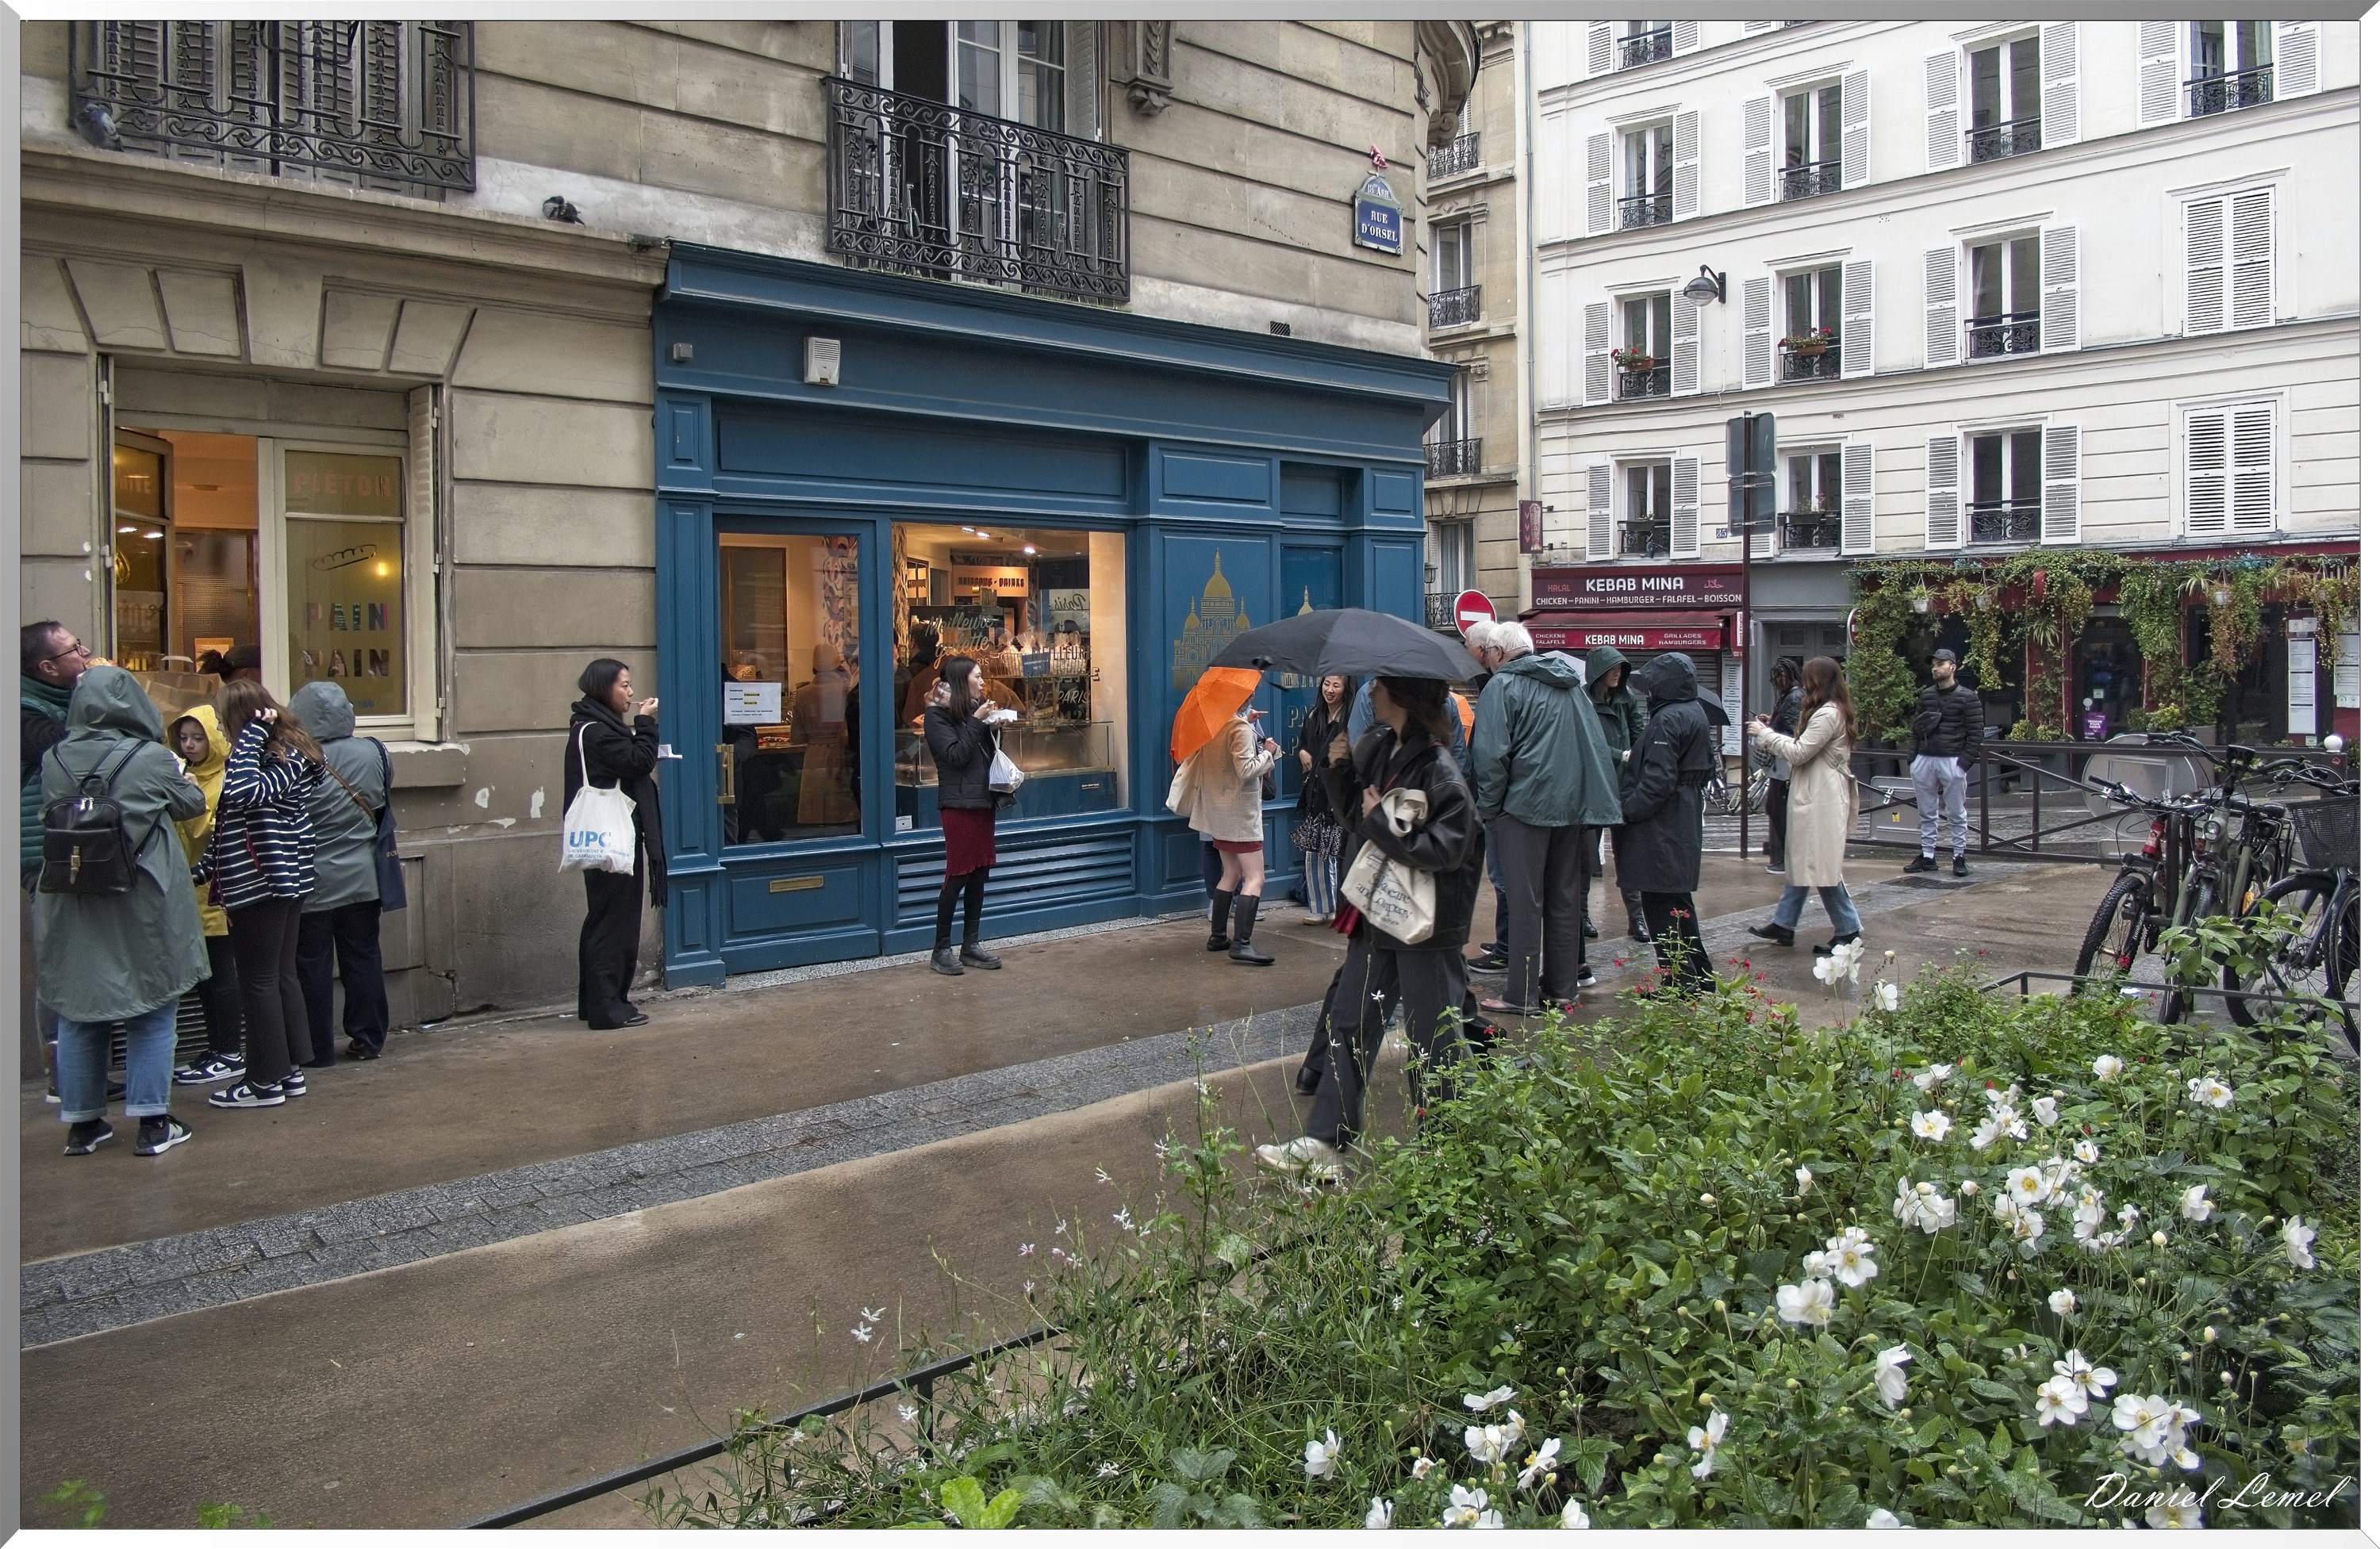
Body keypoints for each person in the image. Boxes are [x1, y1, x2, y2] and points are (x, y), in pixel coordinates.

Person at [1258, 676, 1484, 1180]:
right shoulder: (1379, 745)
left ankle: (1449, 1154)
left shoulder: (1440, 770)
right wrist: (1337, 766)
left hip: (1426, 926)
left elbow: (1446, 850)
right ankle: (1326, 1141)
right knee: (1350, 1022)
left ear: (1402, 696)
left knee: (1435, 1038)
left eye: (1381, 684)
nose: (1371, 689)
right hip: (1377, 914)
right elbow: (1354, 818)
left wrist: (1379, 816)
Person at [35, 666, 209, 1155]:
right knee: (152, 1007)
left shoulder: (54, 759)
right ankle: (154, 1124)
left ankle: (83, 1125)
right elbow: (191, 805)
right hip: (142, 899)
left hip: (71, 902)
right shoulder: (151, 758)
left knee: (78, 1012)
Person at [1470, 621, 1618, 1014]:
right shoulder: (1571, 686)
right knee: (1564, 899)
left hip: (1522, 809)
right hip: (1568, 808)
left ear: (1499, 654)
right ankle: (1562, 990)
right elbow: (1593, 745)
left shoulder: (1502, 686)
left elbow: (1490, 758)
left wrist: (1489, 809)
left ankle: (1520, 995)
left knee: (1524, 902)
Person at [198, 680, 327, 1108]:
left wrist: (250, 736)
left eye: (221, 721)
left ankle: (262, 1082)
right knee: (277, 977)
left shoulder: (274, 760)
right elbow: (231, 824)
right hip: (280, 880)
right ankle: (288, 1073)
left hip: (262, 883)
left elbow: (239, 793)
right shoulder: (281, 757)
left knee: (259, 982)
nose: (218, 728)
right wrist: (196, 873)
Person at [289, 682, 391, 1064]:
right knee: (363, 956)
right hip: (364, 877)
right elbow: (380, 804)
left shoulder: (292, 758)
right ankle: (369, 1038)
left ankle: (316, 1049)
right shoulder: (374, 751)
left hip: (311, 879)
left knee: (312, 966)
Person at [566, 658, 665, 1029]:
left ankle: (596, 1003)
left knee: (603, 920)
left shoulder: (592, 727)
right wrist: (646, 725)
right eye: (624, 685)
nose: (631, 692)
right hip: (613, 840)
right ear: (604, 688)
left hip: (611, 838)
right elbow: (638, 762)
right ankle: (609, 1008)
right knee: (615, 924)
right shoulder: (597, 732)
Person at [1615, 652, 1718, 993]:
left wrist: (1627, 809)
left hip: (1660, 827)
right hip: (1683, 819)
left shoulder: (1667, 719)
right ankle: (1700, 974)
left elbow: (1657, 780)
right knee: (1679, 902)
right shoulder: (1695, 713)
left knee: (1659, 905)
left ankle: (1679, 980)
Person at [1747, 658, 1864, 953]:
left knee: (1821, 864)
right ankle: (1784, 923)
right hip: (1816, 794)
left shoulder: (1827, 714)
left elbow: (1799, 753)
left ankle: (1848, 929)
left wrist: (1766, 735)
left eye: (1809, 678)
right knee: (1803, 861)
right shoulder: (1829, 711)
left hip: (1821, 797)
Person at [22, 621, 92, 1097]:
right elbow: (65, 750)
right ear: (47, 667)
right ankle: (64, 1079)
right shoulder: (26, 713)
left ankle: (83, 1075)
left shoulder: (64, 702)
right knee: (58, 965)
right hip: (49, 856)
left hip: (82, 848)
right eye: (74, 650)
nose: (85, 653)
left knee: (84, 961)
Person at [165, 707, 248, 1087]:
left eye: (198, 738)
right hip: (189, 889)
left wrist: (188, 796)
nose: (190, 745)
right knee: (204, 978)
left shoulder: (224, 779)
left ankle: (230, 1051)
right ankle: (216, 1049)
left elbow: (214, 832)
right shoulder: (188, 774)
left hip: (216, 891)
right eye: (183, 738)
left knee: (221, 977)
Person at [1180, 684, 1280, 966]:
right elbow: (1246, 770)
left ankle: (1218, 936)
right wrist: (1268, 752)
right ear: (1244, 697)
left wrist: (1248, 727)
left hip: (1219, 815)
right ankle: (1242, 943)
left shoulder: (1215, 727)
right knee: (1256, 878)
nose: (1253, 697)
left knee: (1231, 874)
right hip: (1241, 816)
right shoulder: (1240, 729)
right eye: (1250, 694)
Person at [923, 656, 1006, 976]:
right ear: (962, 681)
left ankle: (970, 945)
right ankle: (940, 948)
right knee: (957, 874)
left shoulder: (974, 710)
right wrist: (978, 722)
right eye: (978, 676)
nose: (983, 681)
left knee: (979, 873)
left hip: (983, 801)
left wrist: (994, 728)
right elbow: (956, 757)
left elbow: (982, 756)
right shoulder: (935, 717)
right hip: (958, 805)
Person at [1580, 644, 1650, 945]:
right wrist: (1621, 755)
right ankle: (1581, 915)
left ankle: (1636, 919)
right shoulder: (1581, 701)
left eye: (1621, 668)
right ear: (1598, 671)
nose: (1618, 673)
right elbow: (1587, 742)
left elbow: (1639, 733)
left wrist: (1639, 753)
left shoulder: (1626, 699)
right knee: (1585, 857)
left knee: (1629, 855)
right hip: (1594, 786)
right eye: (1612, 668)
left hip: (1623, 786)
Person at [1909, 646, 1985, 876]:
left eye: (1941, 664)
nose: (1935, 668)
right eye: (1934, 664)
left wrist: (1963, 764)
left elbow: (1976, 734)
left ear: (1953, 667)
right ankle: (1928, 855)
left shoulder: (1968, 697)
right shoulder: (1927, 695)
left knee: (1956, 812)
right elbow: (1916, 727)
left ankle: (1959, 856)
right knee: (1926, 811)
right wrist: (1913, 758)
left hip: (1952, 759)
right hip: (1925, 758)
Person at [1292, 674, 1352, 925]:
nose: (1330, 689)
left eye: (1336, 685)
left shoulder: (1349, 720)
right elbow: (1304, 744)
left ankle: (1340, 909)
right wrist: (1302, 752)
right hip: (1316, 794)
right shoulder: (1313, 716)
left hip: (1338, 796)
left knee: (1337, 854)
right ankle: (1320, 908)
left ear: (1346, 688)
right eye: (1327, 684)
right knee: (1314, 853)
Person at [1763, 657, 1805, 876]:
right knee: (1775, 807)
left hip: (1785, 762)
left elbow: (1791, 730)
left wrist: (1769, 732)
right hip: (1782, 761)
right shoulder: (1790, 696)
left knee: (1779, 808)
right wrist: (1771, 722)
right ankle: (1786, 857)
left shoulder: (1794, 696)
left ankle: (1787, 858)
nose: (1777, 680)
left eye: (1780, 675)